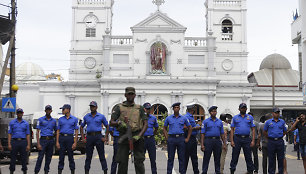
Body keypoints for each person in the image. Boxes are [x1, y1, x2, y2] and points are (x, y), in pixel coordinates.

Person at [110, 87, 148, 174]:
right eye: (128, 94)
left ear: (134, 95)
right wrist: (119, 123)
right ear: (125, 95)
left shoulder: (140, 108)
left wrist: (139, 136)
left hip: (136, 135)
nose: (130, 96)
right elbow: (111, 122)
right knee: (122, 162)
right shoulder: (118, 107)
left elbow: (145, 124)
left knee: (139, 161)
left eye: (132, 94)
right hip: (124, 136)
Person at [80, 101, 109, 174]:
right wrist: (83, 138)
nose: (92, 108)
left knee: (101, 156)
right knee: (88, 156)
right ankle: (86, 171)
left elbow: (107, 126)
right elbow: (81, 126)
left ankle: (105, 171)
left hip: (98, 136)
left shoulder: (101, 116)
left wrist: (106, 137)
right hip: (89, 137)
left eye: (93, 106)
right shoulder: (86, 116)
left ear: (96, 107)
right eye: (91, 106)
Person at [163, 102, 192, 174]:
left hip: (181, 139)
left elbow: (190, 128)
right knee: (170, 158)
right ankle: (169, 172)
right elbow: (164, 128)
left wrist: (187, 138)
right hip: (171, 139)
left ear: (179, 108)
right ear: (173, 109)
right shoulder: (168, 118)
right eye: (175, 107)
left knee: (181, 158)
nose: (176, 108)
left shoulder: (183, 118)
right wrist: (167, 138)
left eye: (177, 107)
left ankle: (182, 172)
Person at [230, 103, 255, 174]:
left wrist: (253, 140)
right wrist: (231, 140)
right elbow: (232, 129)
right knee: (235, 156)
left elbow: (253, 129)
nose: (243, 109)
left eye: (244, 108)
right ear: (239, 109)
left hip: (247, 139)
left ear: (246, 109)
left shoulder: (250, 117)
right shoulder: (235, 117)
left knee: (248, 156)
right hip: (237, 139)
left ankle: (250, 171)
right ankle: (232, 169)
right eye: (242, 108)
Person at [201, 106, 227, 174]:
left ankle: (217, 171)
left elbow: (222, 134)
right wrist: (202, 144)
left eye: (215, 111)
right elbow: (202, 133)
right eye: (212, 111)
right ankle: (204, 171)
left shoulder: (220, 122)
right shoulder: (205, 122)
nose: (214, 112)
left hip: (217, 141)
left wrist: (224, 143)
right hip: (208, 141)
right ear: (210, 112)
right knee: (206, 157)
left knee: (217, 158)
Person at [56, 104, 79, 174]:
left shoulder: (74, 119)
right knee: (61, 157)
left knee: (70, 157)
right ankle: (60, 171)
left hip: (70, 138)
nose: (62, 111)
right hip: (62, 138)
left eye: (63, 109)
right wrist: (57, 142)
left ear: (68, 110)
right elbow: (58, 131)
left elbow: (76, 131)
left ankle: (72, 171)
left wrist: (75, 142)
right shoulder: (60, 119)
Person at [34, 105, 57, 174]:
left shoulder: (54, 121)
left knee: (49, 158)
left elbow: (56, 130)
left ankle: (46, 171)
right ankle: (36, 171)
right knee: (40, 157)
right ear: (45, 111)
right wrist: (38, 143)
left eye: (49, 110)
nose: (48, 111)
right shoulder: (40, 119)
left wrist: (54, 136)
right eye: (47, 110)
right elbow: (37, 132)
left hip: (50, 140)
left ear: (51, 111)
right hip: (43, 140)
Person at [263, 107, 287, 174]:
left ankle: (280, 172)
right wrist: (269, 137)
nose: (277, 114)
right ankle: (271, 172)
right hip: (271, 142)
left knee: (280, 158)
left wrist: (280, 136)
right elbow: (264, 131)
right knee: (271, 159)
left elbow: (285, 131)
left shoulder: (282, 122)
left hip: (279, 141)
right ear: (272, 113)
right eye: (276, 113)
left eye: (278, 113)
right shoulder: (268, 122)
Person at [8, 108, 31, 174]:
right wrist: (9, 144)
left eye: (21, 113)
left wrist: (28, 145)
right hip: (14, 142)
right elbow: (9, 134)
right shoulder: (12, 123)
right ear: (16, 114)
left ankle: (24, 171)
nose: (19, 114)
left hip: (23, 142)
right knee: (13, 158)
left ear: (22, 113)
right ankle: (11, 171)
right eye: (18, 113)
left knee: (24, 158)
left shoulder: (26, 123)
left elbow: (28, 135)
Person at [184, 102, 200, 174]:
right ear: (192, 109)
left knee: (194, 157)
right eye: (194, 108)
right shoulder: (187, 117)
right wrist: (196, 127)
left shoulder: (191, 116)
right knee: (187, 157)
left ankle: (196, 171)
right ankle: (183, 172)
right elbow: (186, 128)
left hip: (193, 139)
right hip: (189, 138)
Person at [143, 102, 159, 174]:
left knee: (153, 159)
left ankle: (154, 172)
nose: (148, 110)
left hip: (151, 139)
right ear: (144, 109)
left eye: (149, 109)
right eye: (146, 109)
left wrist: (153, 135)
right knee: (141, 159)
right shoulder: (141, 118)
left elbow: (156, 127)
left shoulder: (153, 118)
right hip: (143, 140)